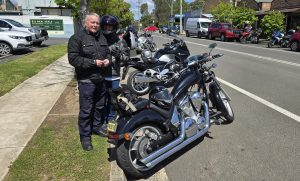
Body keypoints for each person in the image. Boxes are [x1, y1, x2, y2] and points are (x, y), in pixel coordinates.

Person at [68, 13, 111, 151]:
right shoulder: (76, 38)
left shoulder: (102, 37)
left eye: (97, 23)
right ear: (86, 23)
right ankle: (85, 137)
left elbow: (108, 53)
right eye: (92, 22)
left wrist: (108, 60)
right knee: (86, 110)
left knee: (99, 107)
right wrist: (93, 62)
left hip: (101, 79)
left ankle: (96, 128)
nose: (95, 25)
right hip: (86, 81)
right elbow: (73, 59)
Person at [100, 15, 130, 126]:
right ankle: (101, 122)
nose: (108, 29)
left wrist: (118, 57)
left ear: (114, 27)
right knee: (102, 101)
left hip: (113, 76)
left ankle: (111, 123)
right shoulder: (98, 39)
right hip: (100, 76)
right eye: (106, 26)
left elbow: (127, 58)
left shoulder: (120, 41)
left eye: (110, 27)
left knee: (113, 102)